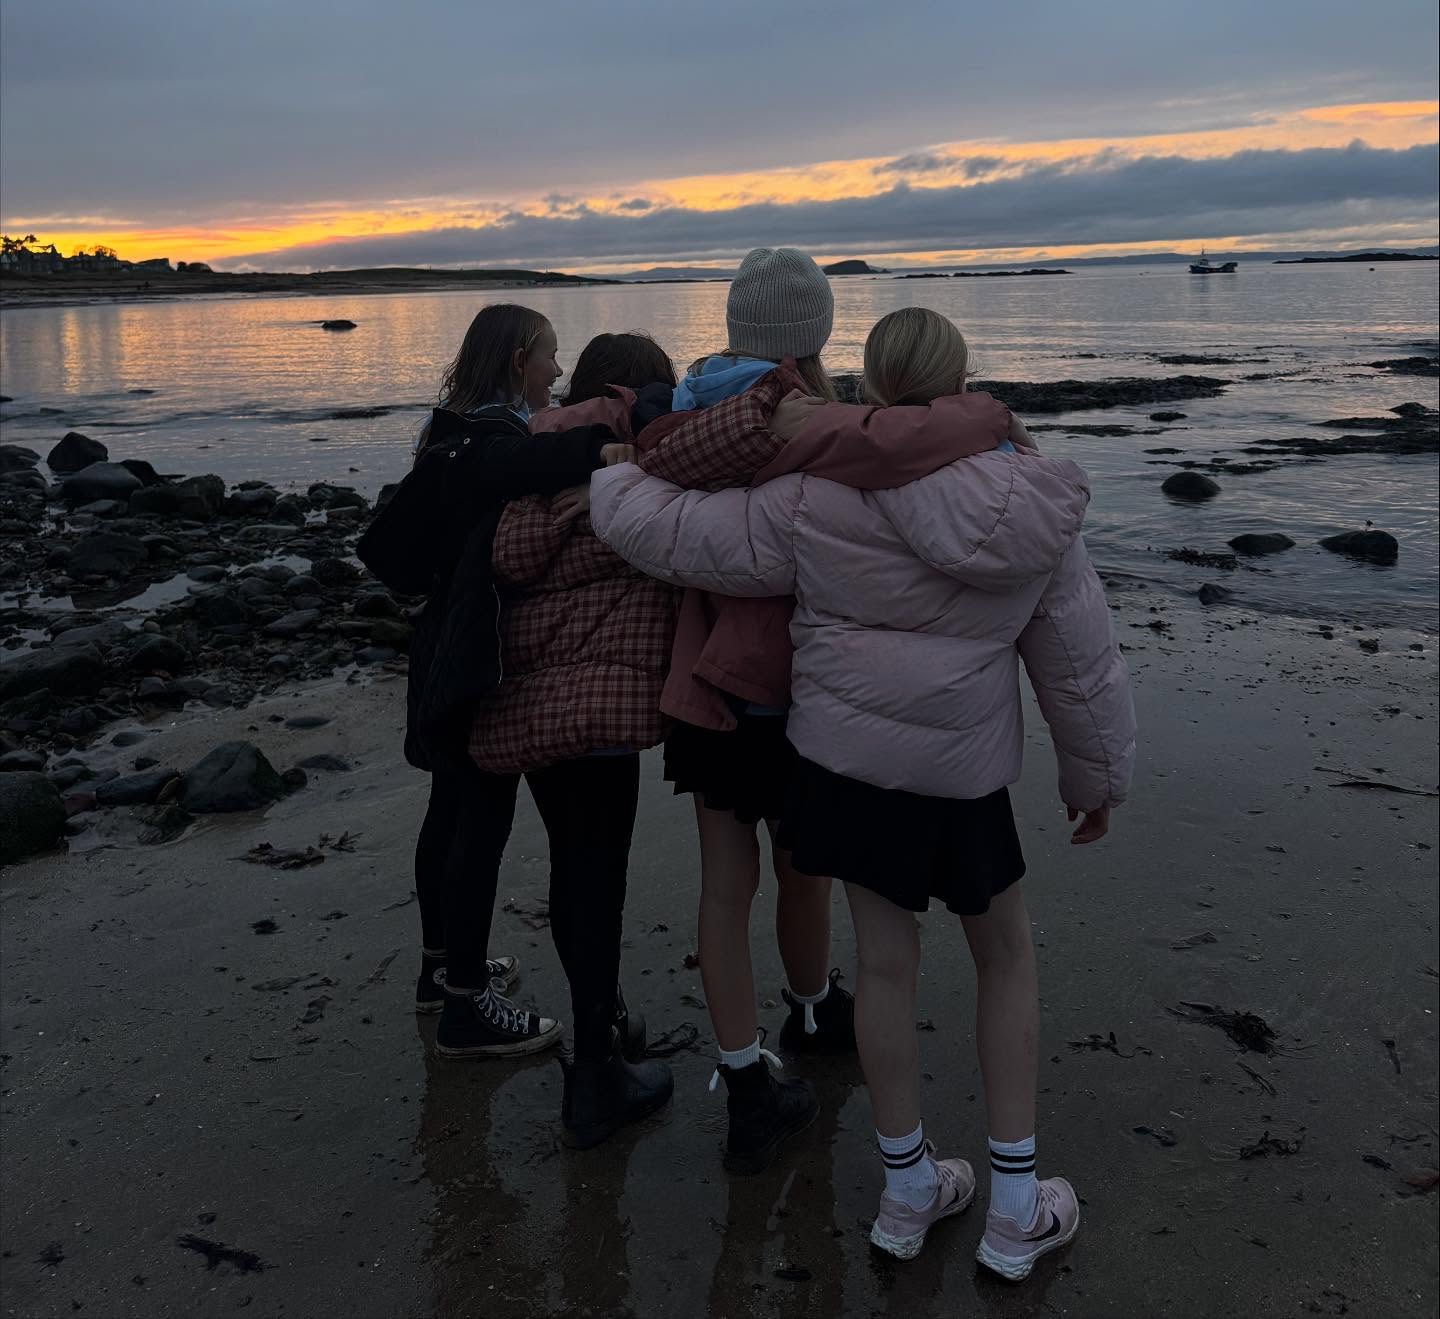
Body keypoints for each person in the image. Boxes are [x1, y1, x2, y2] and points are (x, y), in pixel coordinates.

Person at [592, 305, 1136, 1280]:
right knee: (1006, 958)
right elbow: (1078, 660)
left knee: (885, 969)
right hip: (962, 780)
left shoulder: (814, 493)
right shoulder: (1032, 496)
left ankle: (908, 1187)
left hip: (848, 771)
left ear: (872, 388)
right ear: (960, 383)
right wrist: (1095, 778)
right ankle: (1016, 1206)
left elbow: (676, 536)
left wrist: (614, 472)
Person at [627, 250, 1021, 1175]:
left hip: (707, 683)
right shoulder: (808, 419)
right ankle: (808, 1008)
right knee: (802, 869)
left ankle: (747, 1072)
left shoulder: (688, 409)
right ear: (816, 332)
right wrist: (987, 416)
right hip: (797, 687)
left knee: (725, 883)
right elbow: (901, 454)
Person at [355, 303, 636, 1061]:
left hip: (439, 646)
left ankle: (441, 970)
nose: (557, 369)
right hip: (472, 658)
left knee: (450, 812)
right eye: (549, 355)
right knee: (480, 824)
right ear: (519, 360)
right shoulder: (496, 438)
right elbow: (536, 465)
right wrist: (614, 445)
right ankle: (466, 1007)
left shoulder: (443, 428)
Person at [467, 331, 682, 1148]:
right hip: (602, 709)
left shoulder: (530, 461)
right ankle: (595, 1074)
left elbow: (507, 557)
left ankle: (605, 1022)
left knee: (571, 867)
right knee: (599, 877)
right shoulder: (637, 470)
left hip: (527, 704)